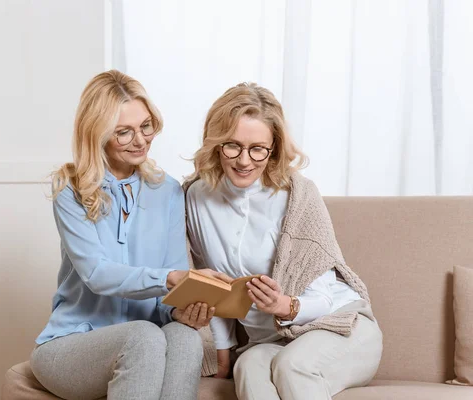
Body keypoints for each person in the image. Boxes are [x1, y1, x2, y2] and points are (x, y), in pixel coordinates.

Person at [30, 70, 231, 400]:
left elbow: (169, 293)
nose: (140, 141)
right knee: (143, 335)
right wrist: (173, 279)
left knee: (183, 336)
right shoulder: (71, 188)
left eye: (146, 126)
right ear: (98, 134)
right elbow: (97, 274)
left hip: (145, 341)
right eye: (124, 132)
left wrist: (180, 310)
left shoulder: (167, 191)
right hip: (71, 345)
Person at [184, 82, 383, 400]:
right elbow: (215, 290)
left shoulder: (297, 197)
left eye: (258, 149)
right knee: (247, 365)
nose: (244, 161)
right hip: (269, 341)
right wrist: (223, 351)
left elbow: (324, 299)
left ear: (273, 148)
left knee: (292, 366)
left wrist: (285, 306)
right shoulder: (196, 197)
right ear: (216, 143)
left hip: (339, 327)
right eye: (232, 145)